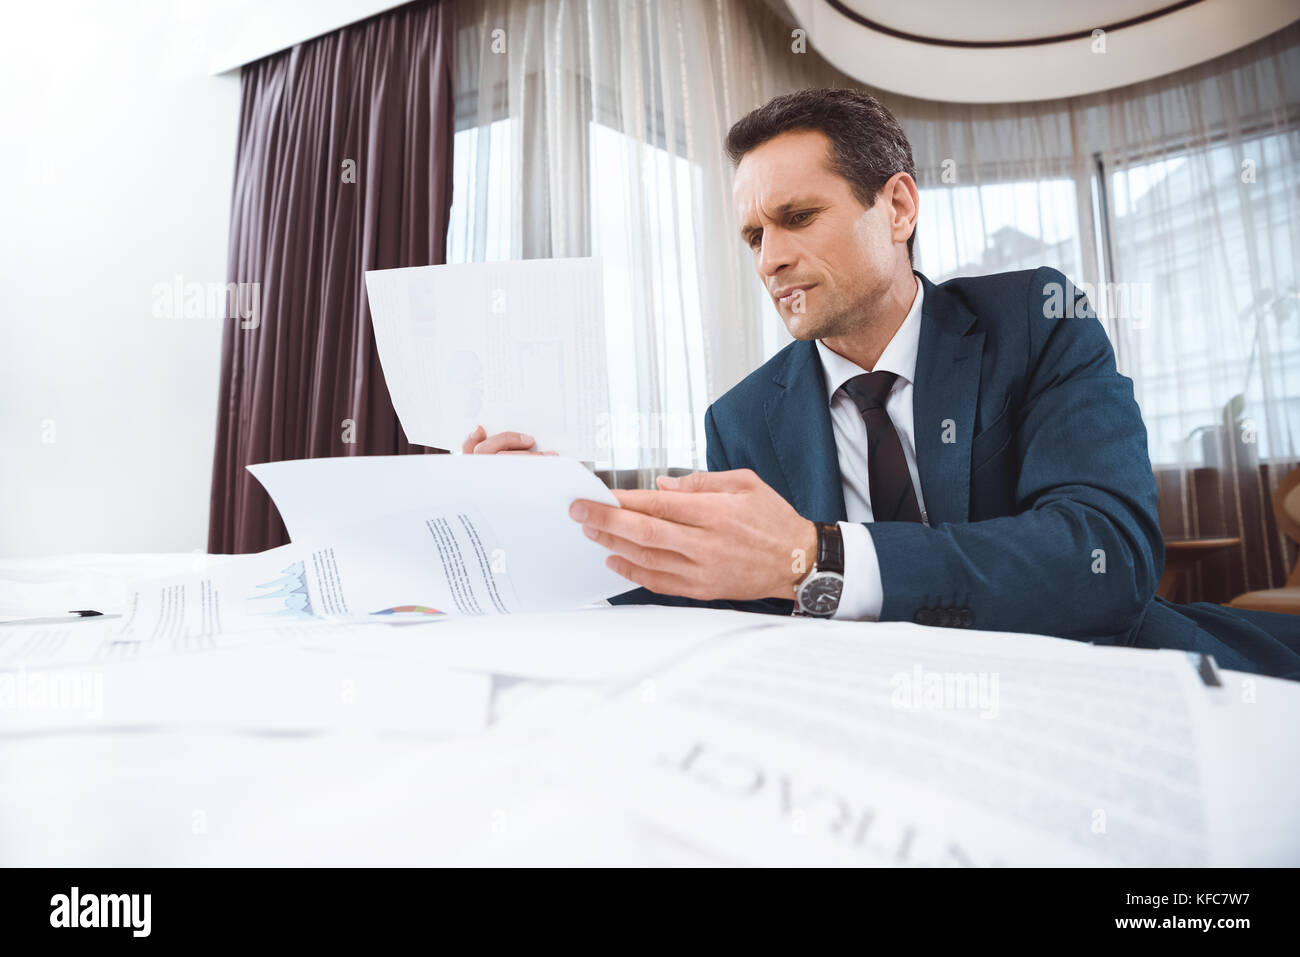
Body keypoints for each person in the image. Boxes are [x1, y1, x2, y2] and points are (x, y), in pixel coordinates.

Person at [464, 88, 1300, 681]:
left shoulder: (1037, 321)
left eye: (796, 218)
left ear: (897, 207)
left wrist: (816, 556)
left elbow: (1104, 560)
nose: (769, 258)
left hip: (1105, 686)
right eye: (752, 234)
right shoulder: (743, 417)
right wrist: (548, 510)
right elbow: (722, 600)